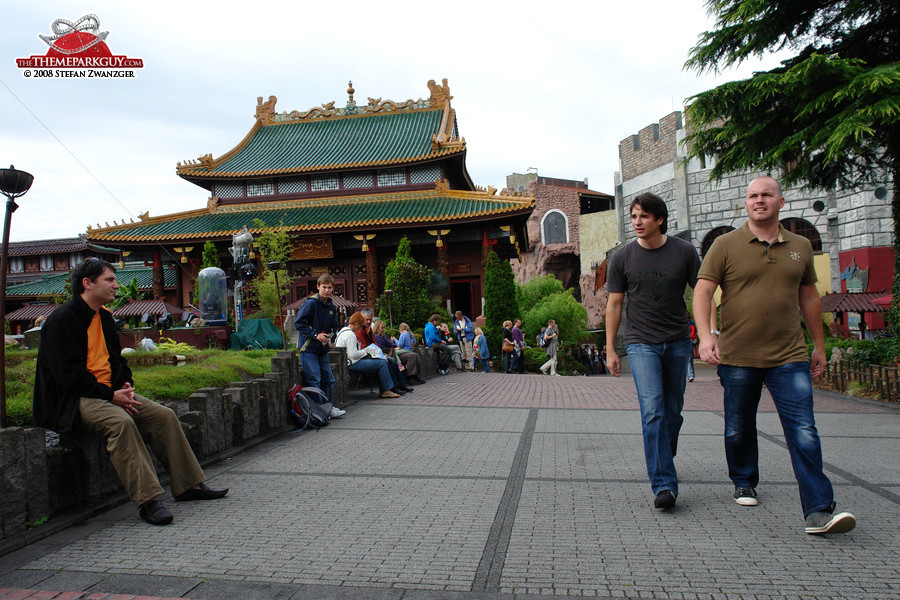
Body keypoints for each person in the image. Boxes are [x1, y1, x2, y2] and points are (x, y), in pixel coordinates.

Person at [693, 175, 856, 535]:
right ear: (746, 204)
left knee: (803, 429)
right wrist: (706, 337)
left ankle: (818, 510)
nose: (759, 200)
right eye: (752, 196)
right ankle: (744, 479)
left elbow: (809, 297)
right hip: (737, 355)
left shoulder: (799, 245)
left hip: (790, 355)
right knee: (738, 426)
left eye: (767, 195)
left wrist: (819, 345)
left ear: (781, 202)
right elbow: (703, 292)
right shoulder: (725, 245)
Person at [32, 259, 227, 526]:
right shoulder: (61, 321)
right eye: (109, 280)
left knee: (163, 415)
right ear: (87, 284)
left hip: (108, 392)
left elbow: (118, 361)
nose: (116, 285)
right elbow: (68, 376)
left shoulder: (104, 317)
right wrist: (111, 396)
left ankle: (188, 486)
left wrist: (124, 385)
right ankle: (148, 501)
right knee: (121, 423)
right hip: (74, 399)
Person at [606, 192, 701, 510]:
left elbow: (701, 292)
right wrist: (610, 349)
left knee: (672, 414)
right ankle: (664, 485)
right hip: (640, 342)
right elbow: (615, 304)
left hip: (677, 341)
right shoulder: (622, 257)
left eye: (644, 216)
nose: (637, 222)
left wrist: (708, 334)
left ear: (660, 219)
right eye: (633, 216)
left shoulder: (685, 252)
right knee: (653, 411)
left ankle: (663, 456)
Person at [293, 274, 344, 418]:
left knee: (328, 379)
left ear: (333, 288)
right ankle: (319, 411)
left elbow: (335, 326)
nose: (326, 290)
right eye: (324, 287)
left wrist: (330, 337)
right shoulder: (310, 303)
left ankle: (329, 407)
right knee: (314, 380)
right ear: (318, 287)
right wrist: (315, 335)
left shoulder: (330, 305)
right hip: (308, 348)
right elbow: (299, 324)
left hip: (322, 349)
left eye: (329, 287)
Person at [335, 312, 400, 398]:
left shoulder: (342, 332)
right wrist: (366, 351)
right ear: (356, 324)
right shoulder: (350, 334)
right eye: (360, 325)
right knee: (381, 363)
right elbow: (353, 355)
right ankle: (386, 390)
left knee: (381, 361)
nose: (360, 328)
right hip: (351, 363)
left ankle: (389, 387)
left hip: (347, 361)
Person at [358, 309, 413, 393]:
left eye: (370, 319)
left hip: (373, 353)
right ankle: (392, 387)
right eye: (367, 319)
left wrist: (381, 354)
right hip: (364, 356)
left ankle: (400, 384)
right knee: (385, 361)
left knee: (391, 360)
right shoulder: (360, 331)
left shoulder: (369, 330)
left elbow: (375, 344)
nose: (369, 322)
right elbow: (363, 347)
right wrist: (380, 355)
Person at [373, 318, 424, 385]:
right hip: (391, 353)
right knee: (412, 356)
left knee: (415, 355)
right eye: (382, 328)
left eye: (384, 328)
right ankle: (410, 377)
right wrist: (394, 349)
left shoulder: (384, 336)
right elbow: (382, 349)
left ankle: (415, 376)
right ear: (377, 328)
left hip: (395, 351)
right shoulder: (378, 337)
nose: (384, 329)